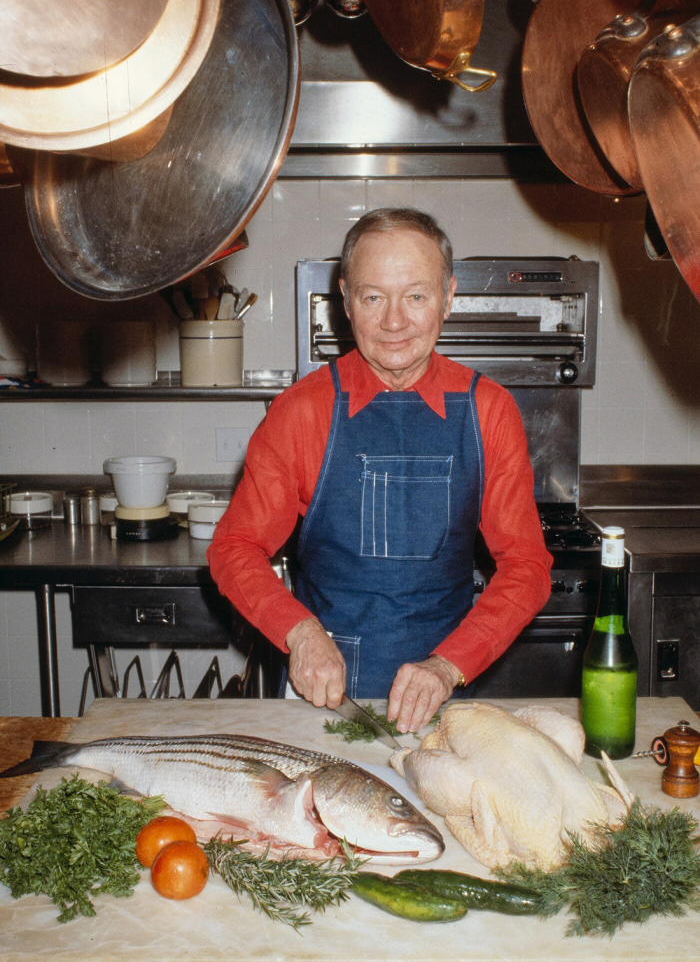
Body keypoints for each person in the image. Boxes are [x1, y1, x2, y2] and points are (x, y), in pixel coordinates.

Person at [208, 208, 552, 733]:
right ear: (345, 300)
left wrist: (447, 665)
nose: (395, 321)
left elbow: (527, 566)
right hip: (323, 698)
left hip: (448, 695)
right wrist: (299, 634)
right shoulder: (301, 411)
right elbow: (234, 549)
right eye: (373, 297)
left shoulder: (489, 411)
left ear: (449, 297)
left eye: (416, 296)